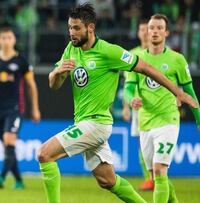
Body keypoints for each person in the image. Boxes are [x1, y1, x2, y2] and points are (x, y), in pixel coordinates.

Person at [36, 4, 198, 203]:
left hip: (96, 124)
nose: (72, 33)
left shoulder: (109, 52)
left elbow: (145, 67)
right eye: (70, 27)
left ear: (90, 28)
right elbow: (54, 85)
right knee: (107, 180)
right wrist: (57, 73)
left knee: (44, 154)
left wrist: (177, 92)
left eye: (77, 28)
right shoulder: (71, 49)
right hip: (84, 122)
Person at [124, 14, 200, 203]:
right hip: (145, 122)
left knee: (159, 169)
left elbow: (189, 91)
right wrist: (131, 98)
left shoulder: (177, 59)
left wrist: (199, 118)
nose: (155, 31)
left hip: (168, 120)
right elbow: (128, 87)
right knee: (156, 176)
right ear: (146, 32)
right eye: (152, 28)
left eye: (159, 28)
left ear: (166, 32)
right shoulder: (137, 59)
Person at [0, 27, 41, 189]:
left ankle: (2, 177)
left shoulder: (21, 61)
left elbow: (31, 86)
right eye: (3, 38)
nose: (6, 41)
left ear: (14, 40)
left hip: (15, 108)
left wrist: (35, 109)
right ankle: (19, 181)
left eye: (9, 38)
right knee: (7, 145)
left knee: (9, 140)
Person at [122, 19, 154, 191]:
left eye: (146, 29)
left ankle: (158, 176)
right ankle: (149, 178)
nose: (144, 32)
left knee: (157, 142)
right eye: (141, 29)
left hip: (157, 105)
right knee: (143, 144)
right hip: (137, 106)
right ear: (138, 33)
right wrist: (126, 107)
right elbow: (127, 84)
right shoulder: (131, 55)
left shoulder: (159, 53)